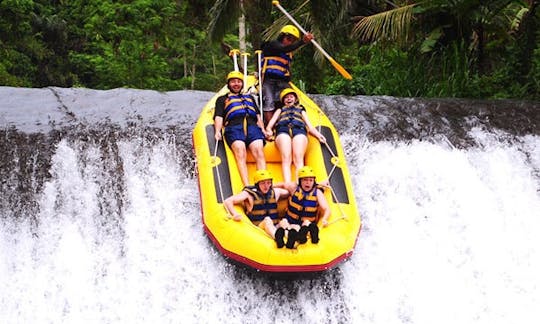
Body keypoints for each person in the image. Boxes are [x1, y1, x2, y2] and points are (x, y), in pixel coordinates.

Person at [214, 71, 270, 186]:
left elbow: (258, 116)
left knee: (259, 150)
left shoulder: (249, 98)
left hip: (252, 127)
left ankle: (263, 183)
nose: (236, 84)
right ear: (228, 84)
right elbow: (219, 116)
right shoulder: (222, 99)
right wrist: (217, 131)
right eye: (233, 82)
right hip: (234, 127)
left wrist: (263, 130)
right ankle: (247, 185)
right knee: (240, 150)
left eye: (239, 82)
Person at [265, 88, 326, 183]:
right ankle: (288, 183)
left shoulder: (301, 109)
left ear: (295, 99)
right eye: (286, 98)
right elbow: (270, 125)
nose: (289, 99)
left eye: (291, 97)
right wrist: (269, 131)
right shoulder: (280, 110)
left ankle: (299, 184)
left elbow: (309, 126)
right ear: (283, 100)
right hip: (283, 131)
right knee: (286, 157)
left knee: (298, 157)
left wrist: (318, 135)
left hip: (299, 131)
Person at [223, 170, 296, 249]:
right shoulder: (249, 194)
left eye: (268, 183)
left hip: (275, 226)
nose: (266, 186)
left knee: (284, 221)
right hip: (259, 229)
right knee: (267, 220)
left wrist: (279, 185)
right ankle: (278, 239)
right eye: (263, 183)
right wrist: (235, 214)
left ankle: (292, 239)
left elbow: (289, 191)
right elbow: (228, 201)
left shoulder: (275, 192)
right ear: (257, 184)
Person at [260, 25, 313, 124]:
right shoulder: (273, 45)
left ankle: (292, 122)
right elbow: (284, 49)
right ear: (282, 36)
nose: (290, 42)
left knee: (292, 99)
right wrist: (303, 41)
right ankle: (271, 128)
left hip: (282, 80)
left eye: (292, 41)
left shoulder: (288, 52)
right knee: (269, 101)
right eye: (288, 38)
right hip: (268, 79)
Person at [279, 166, 330, 247]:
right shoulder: (293, 188)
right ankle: (296, 236)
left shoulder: (317, 193)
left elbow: (326, 209)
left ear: (314, 182)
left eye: (311, 180)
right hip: (290, 221)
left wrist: (324, 219)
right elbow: (282, 185)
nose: (308, 183)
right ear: (300, 181)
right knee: (283, 222)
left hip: (305, 223)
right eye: (305, 180)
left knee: (306, 224)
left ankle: (304, 235)